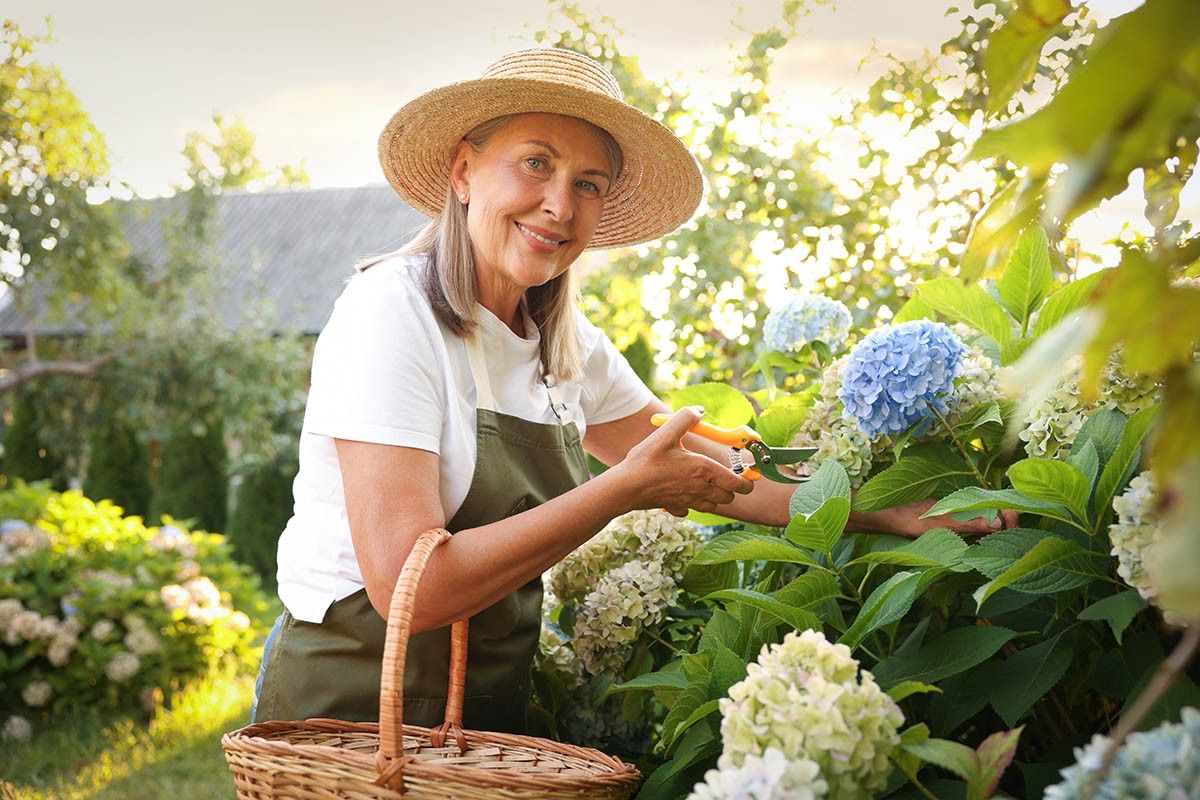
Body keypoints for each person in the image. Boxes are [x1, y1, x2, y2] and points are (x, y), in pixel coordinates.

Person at [250, 48, 1015, 731]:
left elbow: (713, 475)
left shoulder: (567, 345)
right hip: (350, 713)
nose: (560, 205)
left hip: (482, 713)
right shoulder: (393, 315)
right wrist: (620, 491)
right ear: (462, 172)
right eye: (536, 164)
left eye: (589, 184)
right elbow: (406, 586)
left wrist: (894, 509)